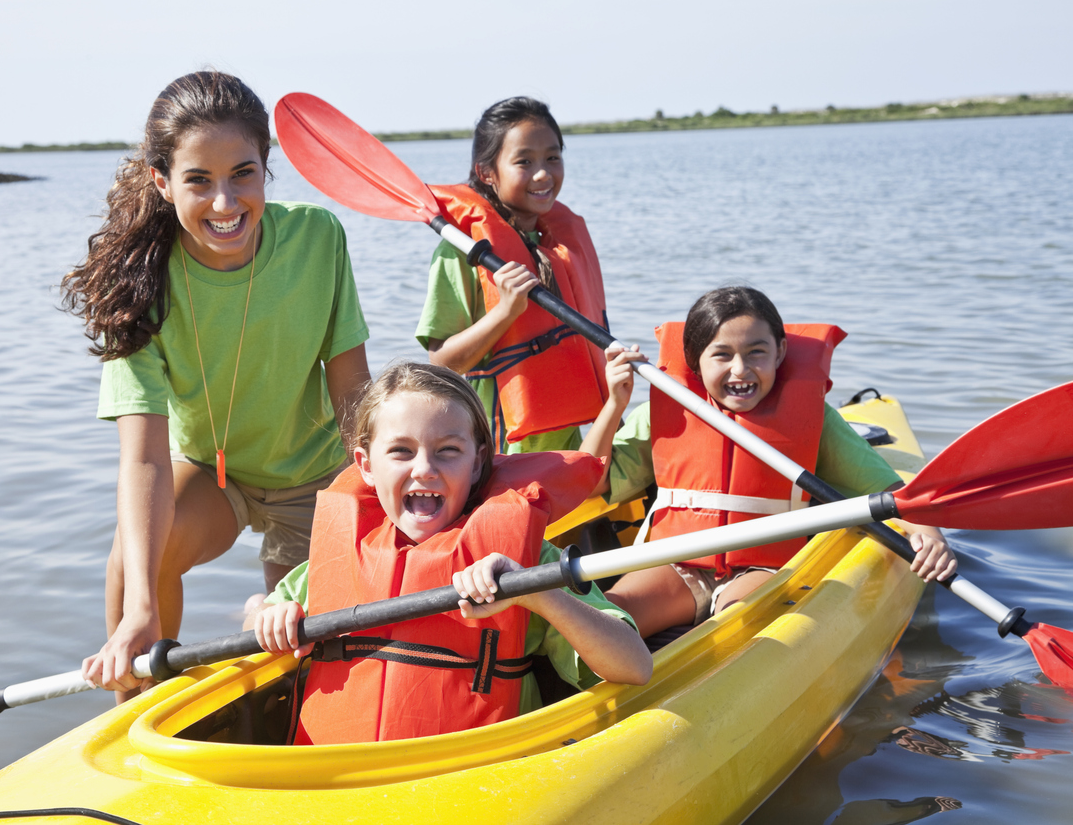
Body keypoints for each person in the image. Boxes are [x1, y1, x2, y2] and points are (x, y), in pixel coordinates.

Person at [63, 72, 371, 698]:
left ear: (267, 169)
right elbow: (145, 458)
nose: (225, 203)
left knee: (294, 654)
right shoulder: (137, 283)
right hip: (213, 474)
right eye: (198, 180)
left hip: (315, 476)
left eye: (243, 174)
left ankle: (262, 613)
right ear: (162, 181)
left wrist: (372, 503)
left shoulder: (317, 238)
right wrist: (139, 610)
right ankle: (133, 705)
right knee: (134, 559)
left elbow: (354, 396)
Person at [247, 362, 651, 745]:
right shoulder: (331, 562)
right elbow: (265, 615)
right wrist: (270, 615)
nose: (424, 468)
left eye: (447, 451)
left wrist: (535, 593)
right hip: (336, 777)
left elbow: (634, 666)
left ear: (477, 464)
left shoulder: (523, 562)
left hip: (468, 775)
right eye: (401, 451)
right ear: (366, 466)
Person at [579, 286, 958, 638]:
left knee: (731, 627)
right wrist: (615, 404)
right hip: (676, 562)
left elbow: (892, 493)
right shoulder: (660, 415)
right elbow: (591, 482)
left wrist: (930, 533)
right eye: (722, 355)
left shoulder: (815, 421)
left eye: (756, 352)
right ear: (695, 360)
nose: (740, 369)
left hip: (764, 567)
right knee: (608, 617)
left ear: (779, 352)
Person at [415, 97, 609, 454]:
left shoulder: (562, 246)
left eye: (553, 157)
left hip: (564, 444)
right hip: (497, 448)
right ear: (487, 172)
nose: (543, 174)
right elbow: (442, 362)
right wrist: (505, 311)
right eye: (524, 161)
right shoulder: (461, 251)